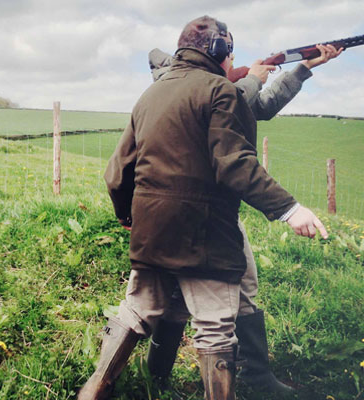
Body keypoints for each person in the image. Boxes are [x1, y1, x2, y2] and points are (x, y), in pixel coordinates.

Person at [79, 16, 328, 400]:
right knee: (214, 327)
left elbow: (117, 172)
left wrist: (127, 216)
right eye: (229, 51)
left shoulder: (151, 94)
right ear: (218, 51)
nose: (232, 59)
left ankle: (96, 386)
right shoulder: (219, 91)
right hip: (205, 231)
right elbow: (235, 164)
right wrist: (289, 209)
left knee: (137, 307)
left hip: (151, 228)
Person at [145, 44, 343, 396]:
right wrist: (252, 77)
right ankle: (251, 376)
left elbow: (260, 107)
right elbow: (232, 105)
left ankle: (157, 378)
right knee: (238, 287)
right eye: (228, 55)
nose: (230, 63)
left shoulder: (178, 86)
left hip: (167, 214)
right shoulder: (196, 88)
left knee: (175, 298)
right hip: (205, 209)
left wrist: (302, 68)